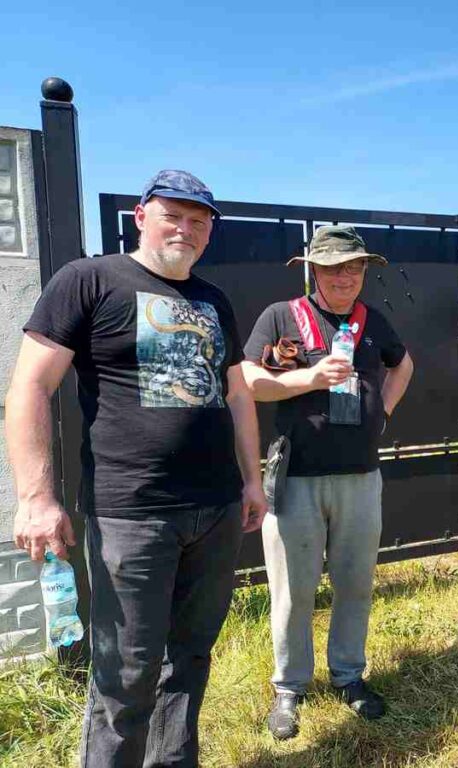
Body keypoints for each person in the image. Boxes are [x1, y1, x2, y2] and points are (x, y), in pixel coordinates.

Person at [6, 170, 267, 767]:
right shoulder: (89, 280)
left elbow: (237, 395)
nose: (187, 229)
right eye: (174, 215)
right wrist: (36, 496)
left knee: (191, 658)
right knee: (125, 672)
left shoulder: (213, 300)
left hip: (217, 508)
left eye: (200, 221)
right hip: (132, 514)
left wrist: (251, 480)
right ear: (141, 217)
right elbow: (30, 387)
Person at [242, 225, 414, 739]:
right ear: (312, 269)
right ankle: (289, 688)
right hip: (297, 478)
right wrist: (307, 380)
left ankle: (349, 677)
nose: (346, 276)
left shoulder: (372, 321)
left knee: (356, 585)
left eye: (355, 266)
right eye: (335, 266)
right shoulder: (280, 317)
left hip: (360, 477)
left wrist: (381, 408)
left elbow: (403, 365)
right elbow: (249, 380)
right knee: (292, 592)